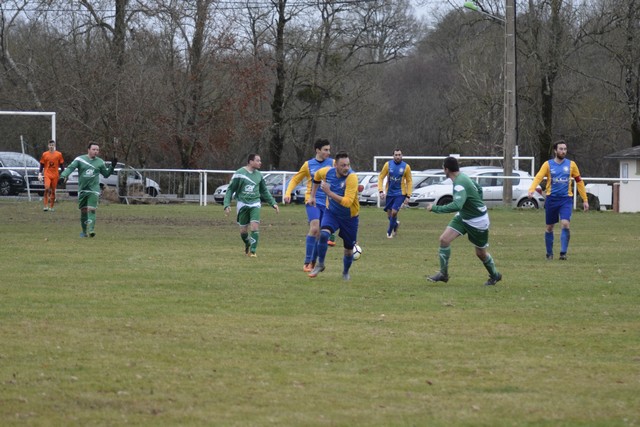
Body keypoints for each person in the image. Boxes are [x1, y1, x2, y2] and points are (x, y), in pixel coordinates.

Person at [426, 156, 502, 286]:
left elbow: (457, 205)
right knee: (444, 240)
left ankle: (495, 275)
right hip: (463, 216)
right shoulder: (463, 177)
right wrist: (474, 204)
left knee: (480, 253)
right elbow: (479, 189)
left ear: (446, 169)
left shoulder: (460, 183)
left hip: (477, 221)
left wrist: (435, 208)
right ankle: (443, 274)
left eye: (443, 168)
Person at [528, 140, 589, 261]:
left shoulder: (571, 165)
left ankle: (563, 253)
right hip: (551, 199)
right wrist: (532, 189)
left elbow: (579, 182)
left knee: (565, 224)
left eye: (565, 149)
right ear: (555, 150)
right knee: (550, 227)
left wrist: (585, 199)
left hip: (566, 199)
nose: (563, 151)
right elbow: (539, 177)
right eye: (561, 149)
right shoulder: (548, 164)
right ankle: (549, 253)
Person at [307, 151, 360, 281]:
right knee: (323, 234)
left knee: (348, 250)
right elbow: (316, 177)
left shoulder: (352, 178)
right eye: (343, 165)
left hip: (350, 218)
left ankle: (345, 272)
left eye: (348, 165)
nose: (346, 168)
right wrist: (312, 196)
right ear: (335, 165)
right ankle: (320, 264)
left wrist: (329, 193)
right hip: (332, 213)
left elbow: (347, 202)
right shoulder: (327, 172)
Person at [284, 139, 334, 272]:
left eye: (329, 150)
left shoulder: (333, 163)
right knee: (315, 227)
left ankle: (313, 262)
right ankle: (307, 263)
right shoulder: (308, 165)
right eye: (325, 150)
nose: (328, 152)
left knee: (321, 234)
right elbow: (296, 179)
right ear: (317, 150)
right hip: (312, 200)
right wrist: (288, 193)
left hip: (328, 203)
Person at [224, 154, 280, 257]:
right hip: (242, 204)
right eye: (258, 160)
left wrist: (273, 203)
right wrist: (226, 204)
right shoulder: (239, 173)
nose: (260, 163)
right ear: (250, 161)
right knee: (243, 231)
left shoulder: (259, 175)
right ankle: (247, 243)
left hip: (255, 203)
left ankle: (253, 252)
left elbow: (264, 191)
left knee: (254, 225)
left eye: (260, 160)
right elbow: (230, 189)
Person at [59, 142, 116, 237]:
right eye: (94, 149)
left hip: (94, 189)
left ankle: (91, 230)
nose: (96, 151)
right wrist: (63, 176)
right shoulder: (79, 159)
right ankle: (84, 232)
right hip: (82, 189)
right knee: (84, 210)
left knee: (91, 209)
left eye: (97, 150)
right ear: (88, 150)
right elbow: (70, 168)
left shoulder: (100, 162)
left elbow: (106, 174)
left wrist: (112, 166)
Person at [378, 148, 412, 238]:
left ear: (402, 155)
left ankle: (389, 232)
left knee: (394, 212)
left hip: (400, 193)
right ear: (393, 156)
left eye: (399, 155)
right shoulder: (388, 165)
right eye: (396, 155)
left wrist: (408, 196)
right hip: (389, 193)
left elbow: (409, 181)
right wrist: (381, 191)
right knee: (389, 215)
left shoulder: (406, 167)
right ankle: (395, 224)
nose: (398, 157)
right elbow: (381, 177)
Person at [38, 140, 65, 212]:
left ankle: (51, 206)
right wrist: (40, 173)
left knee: (53, 190)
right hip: (47, 174)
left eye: (52, 145)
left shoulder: (58, 154)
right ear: (48, 146)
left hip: (55, 175)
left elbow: (62, 165)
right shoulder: (45, 154)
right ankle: (45, 205)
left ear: (54, 146)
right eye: (50, 145)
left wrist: (64, 174)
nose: (51, 146)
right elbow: (42, 164)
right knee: (47, 188)